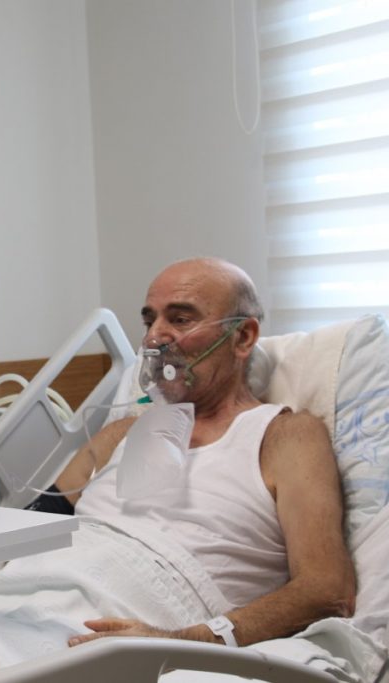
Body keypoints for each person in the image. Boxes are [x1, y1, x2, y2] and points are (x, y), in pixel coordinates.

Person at [34, 257, 356, 648]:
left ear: (242, 337)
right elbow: (31, 524)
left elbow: (327, 591)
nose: (154, 338)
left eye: (180, 319)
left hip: (136, 631)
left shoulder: (284, 437)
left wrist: (185, 641)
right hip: (37, 599)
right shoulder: (121, 433)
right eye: (149, 321)